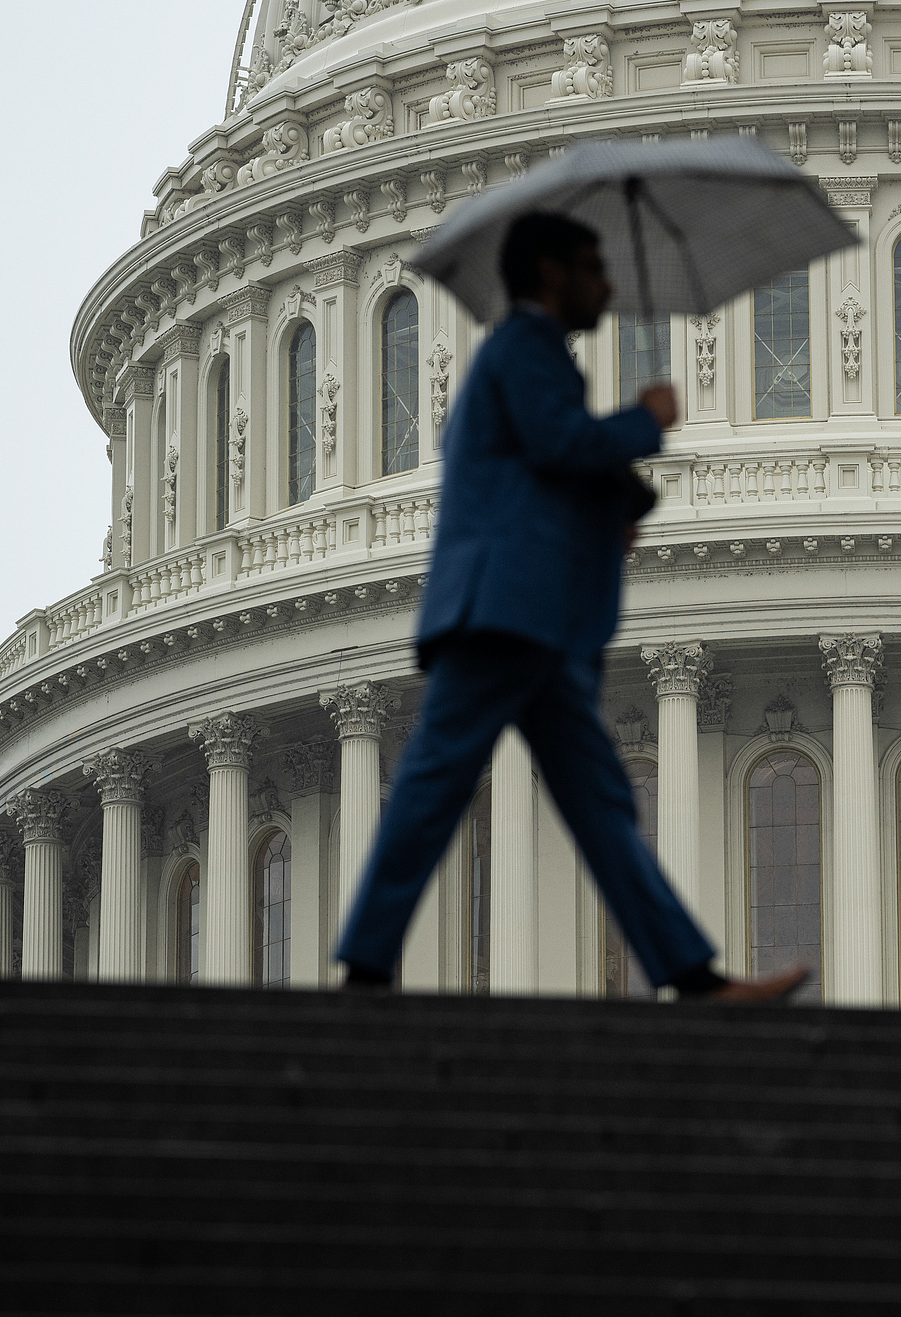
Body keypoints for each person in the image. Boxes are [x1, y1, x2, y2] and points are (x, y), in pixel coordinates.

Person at [335, 212, 809, 1004]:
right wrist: (645, 421)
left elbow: (530, 470)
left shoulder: (527, 357)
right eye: (593, 266)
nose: (609, 285)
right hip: (501, 613)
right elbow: (558, 444)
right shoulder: (524, 348)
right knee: (435, 785)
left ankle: (690, 975)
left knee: (599, 804)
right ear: (551, 273)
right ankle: (367, 966)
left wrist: (610, 504)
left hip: (533, 620)